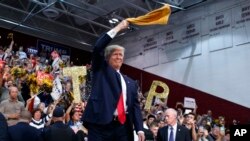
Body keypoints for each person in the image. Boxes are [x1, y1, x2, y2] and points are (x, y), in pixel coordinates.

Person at [82, 20, 145, 141]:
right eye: (115, 54)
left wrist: (140, 128)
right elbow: (98, 48)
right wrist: (118, 27)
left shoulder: (131, 82)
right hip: (101, 125)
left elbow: (135, 107)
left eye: (121, 55)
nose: (119, 57)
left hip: (123, 127)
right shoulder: (101, 70)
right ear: (107, 58)